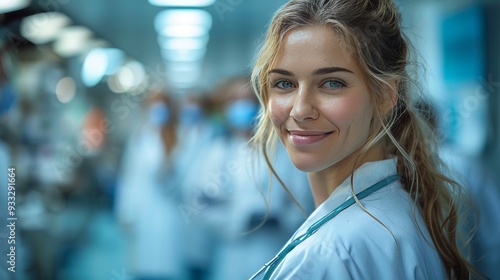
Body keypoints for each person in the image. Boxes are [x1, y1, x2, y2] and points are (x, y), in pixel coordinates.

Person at [248, 0, 483, 279]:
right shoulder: (399, 214)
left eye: (332, 83)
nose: (300, 110)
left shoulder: (331, 254)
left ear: (385, 94)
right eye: (284, 83)